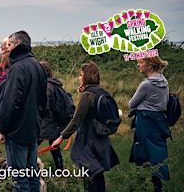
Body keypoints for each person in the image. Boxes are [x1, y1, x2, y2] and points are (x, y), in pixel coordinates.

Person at [52, 62, 119, 192]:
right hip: (101, 139)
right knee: (98, 173)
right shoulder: (100, 92)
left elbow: (76, 120)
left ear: (87, 77)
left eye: (81, 75)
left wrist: (61, 137)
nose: (79, 78)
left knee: (89, 174)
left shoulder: (87, 95)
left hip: (89, 140)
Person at [0, 30, 47, 191]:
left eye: (9, 45)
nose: (7, 49)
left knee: (19, 179)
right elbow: (43, 100)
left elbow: (11, 103)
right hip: (32, 129)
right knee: (32, 175)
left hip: (17, 132)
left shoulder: (17, 67)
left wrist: (3, 129)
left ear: (18, 44)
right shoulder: (37, 65)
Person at [128, 56, 169, 192]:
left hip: (146, 123)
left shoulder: (146, 84)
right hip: (159, 123)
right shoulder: (163, 81)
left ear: (150, 65)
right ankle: (157, 187)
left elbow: (131, 104)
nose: (138, 65)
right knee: (157, 154)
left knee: (143, 154)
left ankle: (145, 186)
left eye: (141, 62)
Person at [37, 61, 64, 170]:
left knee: (31, 146)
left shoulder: (47, 86)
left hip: (47, 123)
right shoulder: (55, 84)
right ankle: (60, 171)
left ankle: (28, 170)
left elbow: (45, 106)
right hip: (55, 123)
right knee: (55, 149)